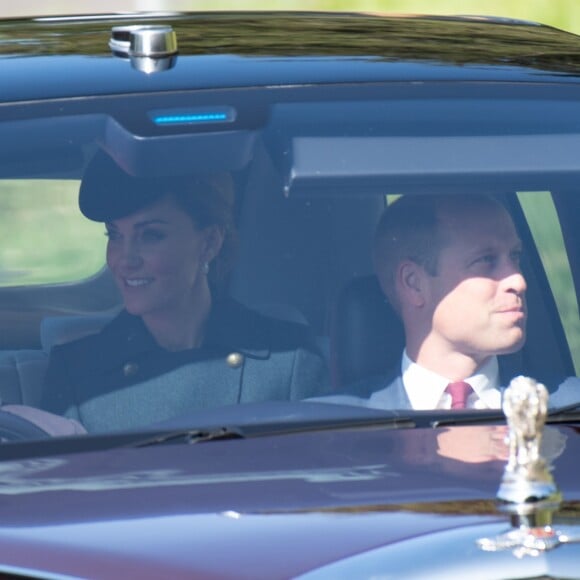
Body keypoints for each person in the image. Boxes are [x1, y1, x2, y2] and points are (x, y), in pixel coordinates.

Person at [41, 151, 328, 433]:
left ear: (209, 244)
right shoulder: (76, 372)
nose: (124, 259)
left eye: (150, 235)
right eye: (114, 235)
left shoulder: (287, 359)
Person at [315, 193, 577, 410]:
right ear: (414, 284)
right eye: (486, 260)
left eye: (515, 255)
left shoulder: (570, 412)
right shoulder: (330, 430)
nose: (518, 281)